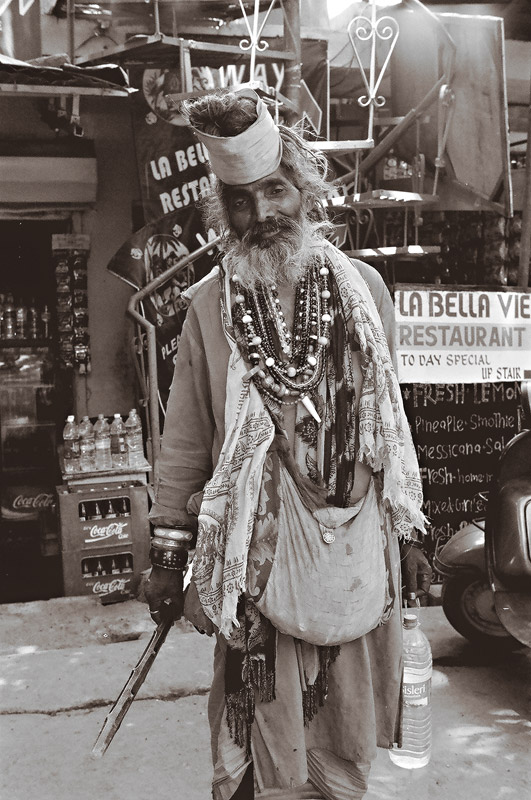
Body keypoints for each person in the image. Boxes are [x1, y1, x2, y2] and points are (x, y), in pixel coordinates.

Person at [145, 88, 432, 800]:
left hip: (357, 546)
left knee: (344, 736)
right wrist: (167, 557)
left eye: (274, 191)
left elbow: (390, 426)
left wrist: (406, 535)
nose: (260, 214)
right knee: (255, 737)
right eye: (239, 201)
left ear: (304, 191)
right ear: (222, 210)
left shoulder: (361, 289)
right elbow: (185, 439)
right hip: (254, 560)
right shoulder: (209, 306)